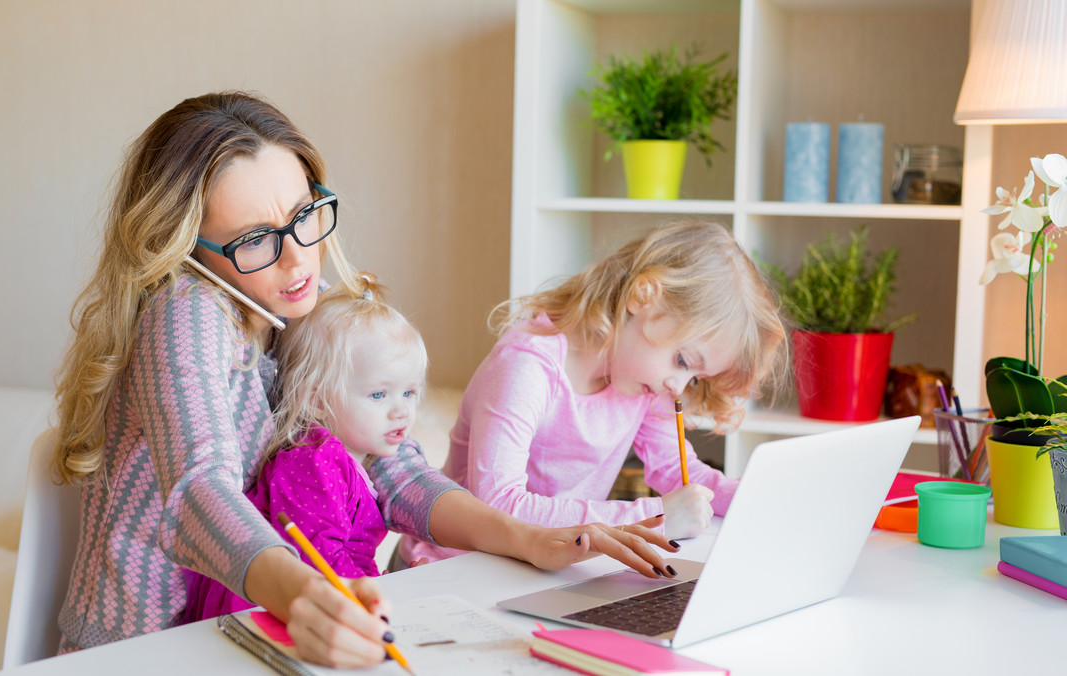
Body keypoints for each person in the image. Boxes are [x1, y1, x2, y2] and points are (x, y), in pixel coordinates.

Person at [51, 90, 678, 669]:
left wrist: (531, 538)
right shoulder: (185, 310)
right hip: (146, 649)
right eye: (254, 242)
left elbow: (395, 469)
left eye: (304, 217)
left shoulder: (297, 302)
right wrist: (302, 596)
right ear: (189, 251)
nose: (298, 260)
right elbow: (198, 490)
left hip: (237, 631)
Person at [398, 222, 788, 567]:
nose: (679, 387)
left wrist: (756, 497)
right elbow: (498, 506)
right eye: (683, 360)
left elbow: (680, 472)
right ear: (643, 297)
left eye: (696, 378)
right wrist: (652, 516)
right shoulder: (529, 365)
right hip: (451, 566)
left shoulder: (641, 381)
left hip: (546, 564)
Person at [182, 275, 431, 622]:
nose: (401, 410)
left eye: (409, 393)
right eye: (379, 394)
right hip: (257, 614)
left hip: (317, 602)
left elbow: (350, 558)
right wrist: (381, 594)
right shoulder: (314, 460)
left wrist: (385, 586)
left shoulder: (351, 460)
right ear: (314, 399)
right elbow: (322, 561)